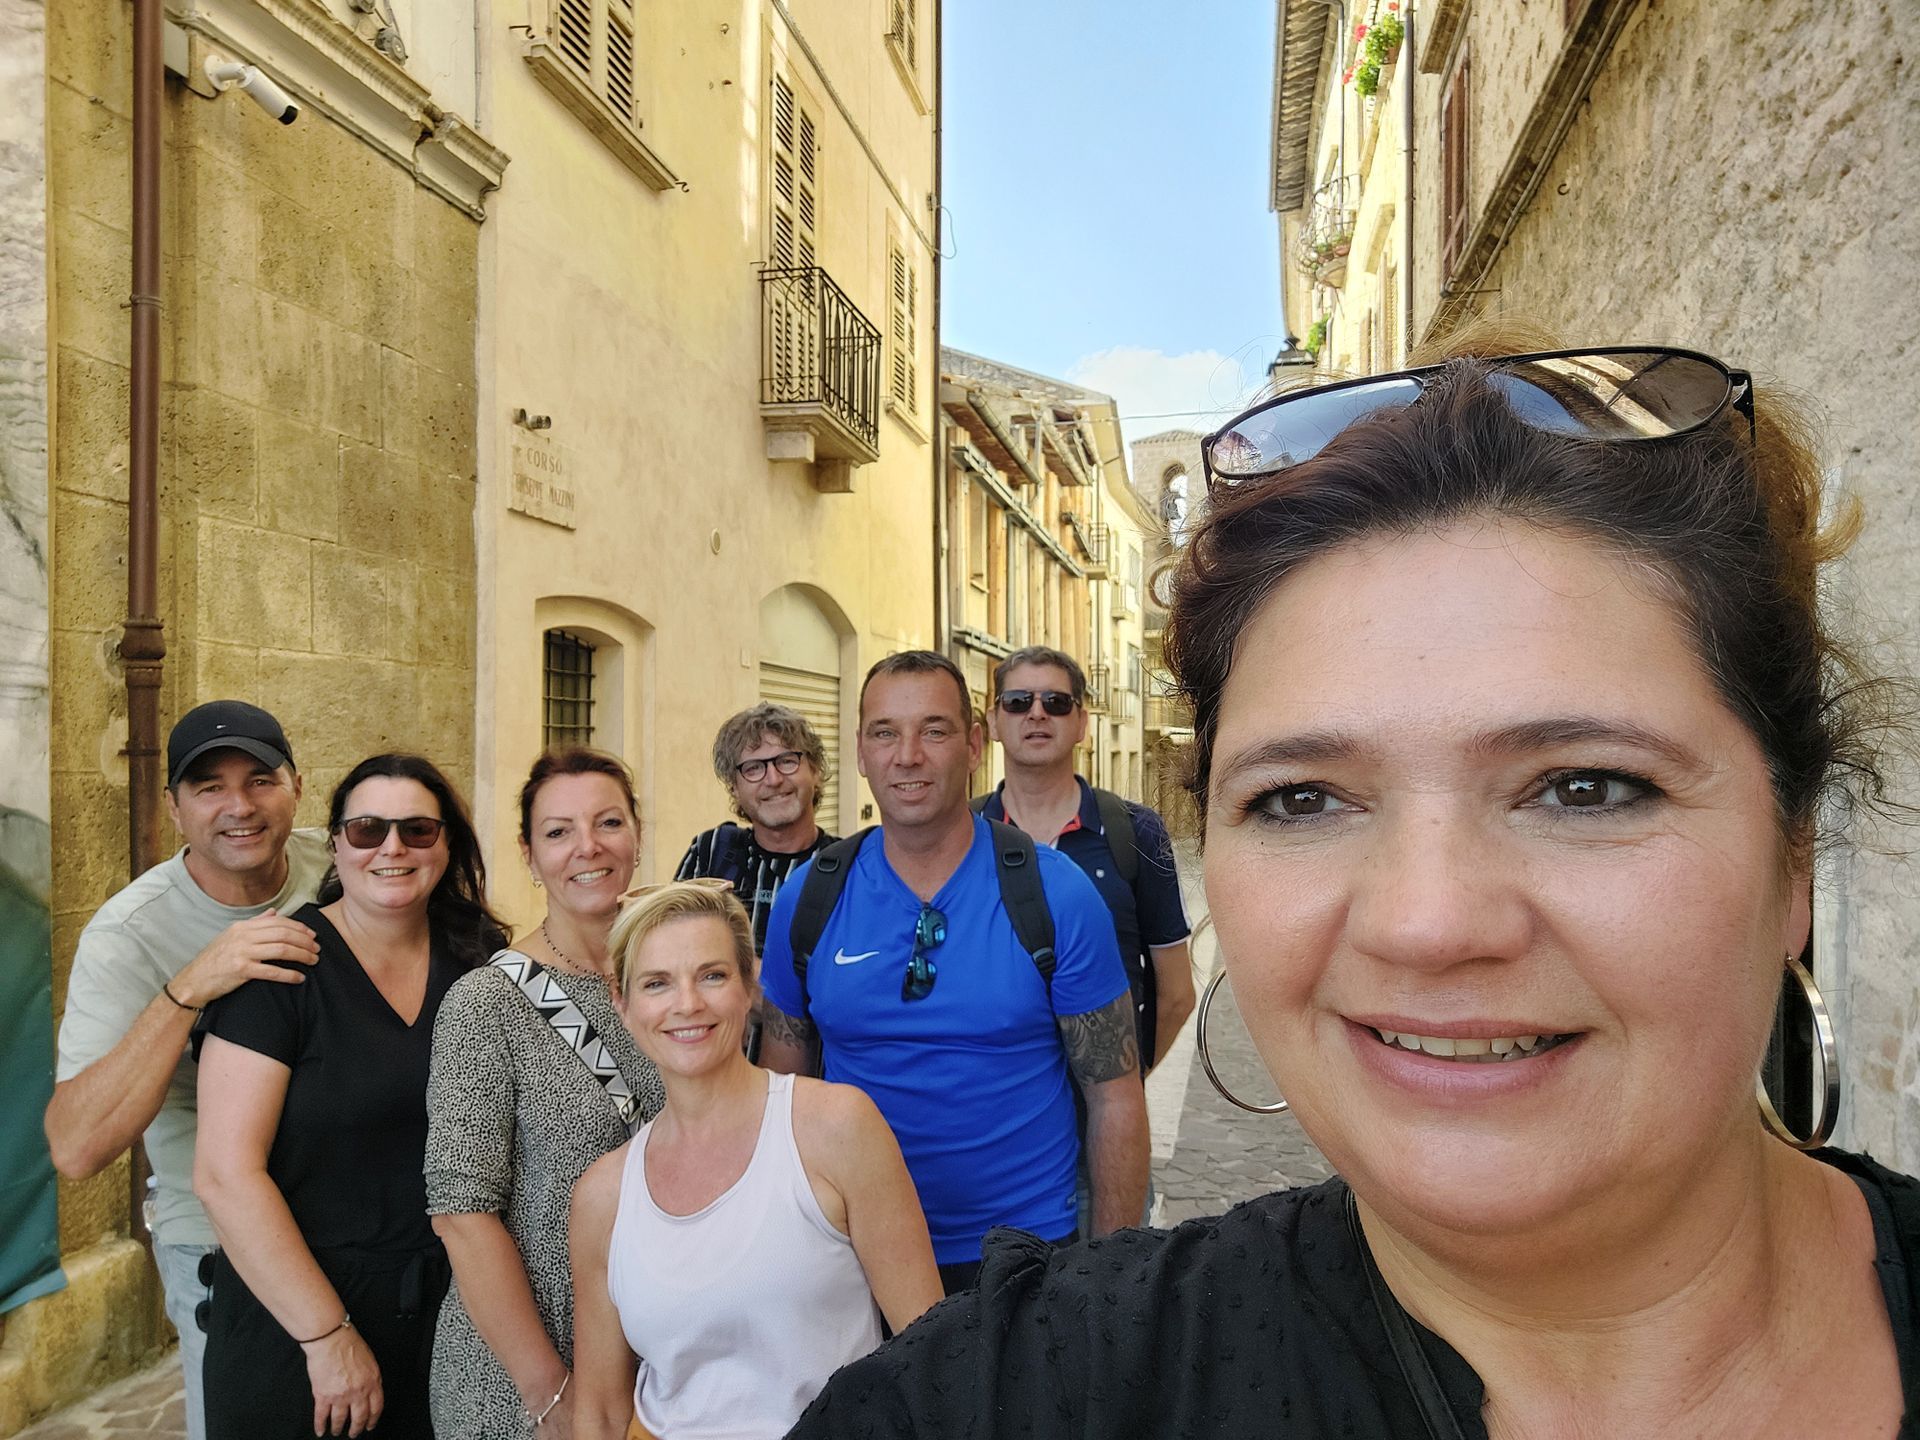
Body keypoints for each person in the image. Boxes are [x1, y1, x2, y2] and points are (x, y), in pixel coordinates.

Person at [788, 336, 1920, 1436]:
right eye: (1303, 799)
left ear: (1796, 855)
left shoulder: (1089, 868)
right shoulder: (1017, 1391)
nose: (1427, 924)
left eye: (1587, 788)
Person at [759, 651, 1150, 1294]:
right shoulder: (810, 898)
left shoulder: (1055, 895)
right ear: (860, 751)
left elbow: (1114, 1095)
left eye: (934, 731)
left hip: (1021, 1259)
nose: (907, 756)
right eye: (885, 732)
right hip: (853, 1253)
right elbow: (781, 1092)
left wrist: (1105, 1277)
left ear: (973, 746)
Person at [195, 754, 508, 1439]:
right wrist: (326, 1336)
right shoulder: (278, 969)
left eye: (417, 830)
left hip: (444, 1325)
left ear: (446, 844)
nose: (392, 848)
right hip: (298, 1331)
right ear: (336, 843)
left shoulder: (479, 960)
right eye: (368, 830)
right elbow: (224, 1175)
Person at [46, 700, 328, 1440]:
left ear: (297, 787)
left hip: (362, 1217)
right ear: (174, 809)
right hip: (220, 1241)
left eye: (260, 780)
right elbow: (76, 1146)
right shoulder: (128, 935)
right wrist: (190, 989)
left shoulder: (342, 866)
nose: (240, 807)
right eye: (209, 788)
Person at [569, 880, 940, 1440]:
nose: (687, 1004)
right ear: (622, 1004)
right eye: (657, 983)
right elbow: (598, 1414)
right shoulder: (603, 1196)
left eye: (712, 975)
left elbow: (933, 1353)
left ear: (749, 987)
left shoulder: (835, 1128)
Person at [425, 748, 666, 1437]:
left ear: (637, 835)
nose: (588, 847)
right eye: (559, 832)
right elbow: (462, 1214)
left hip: (653, 1355)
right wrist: (550, 1396)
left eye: (608, 822)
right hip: (528, 1370)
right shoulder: (485, 1004)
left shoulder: (666, 982)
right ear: (529, 855)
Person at [979, 646, 1193, 1070]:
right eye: (1018, 701)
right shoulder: (961, 835)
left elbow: (1176, 994)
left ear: (1081, 723)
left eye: (1056, 702)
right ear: (993, 722)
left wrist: (1124, 1086)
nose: (1037, 713)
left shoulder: (1136, 832)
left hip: (1101, 1101)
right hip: (988, 1096)